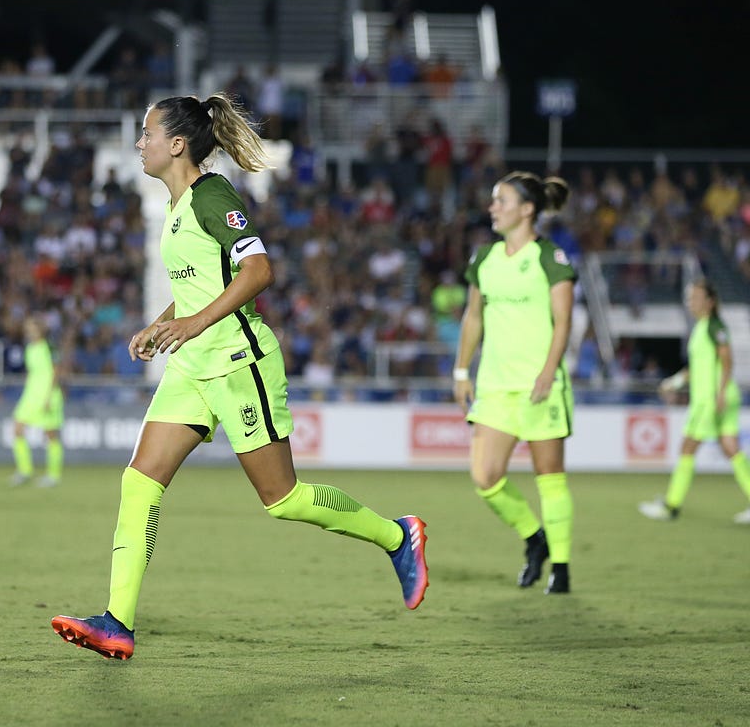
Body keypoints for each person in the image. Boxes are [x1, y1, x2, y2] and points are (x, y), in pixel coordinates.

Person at [50, 93, 428, 660]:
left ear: (177, 144)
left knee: (282, 499)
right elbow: (196, 291)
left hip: (236, 362)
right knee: (140, 481)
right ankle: (117, 623)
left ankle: (399, 536)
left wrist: (196, 323)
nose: (139, 143)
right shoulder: (178, 209)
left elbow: (259, 270)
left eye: (147, 133)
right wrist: (159, 326)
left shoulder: (212, 196)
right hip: (192, 368)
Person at [451, 171, 576, 595]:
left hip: (540, 386)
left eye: (501, 200)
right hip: (496, 387)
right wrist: (462, 370)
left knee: (549, 477)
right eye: (493, 200)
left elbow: (564, 324)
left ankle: (560, 568)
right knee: (486, 478)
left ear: (527, 209)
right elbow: (473, 317)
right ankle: (534, 538)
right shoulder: (483, 258)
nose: (493, 207)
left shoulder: (550, 258)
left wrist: (547, 372)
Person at [638, 280, 750, 524]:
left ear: (710, 302)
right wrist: (675, 382)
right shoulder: (702, 328)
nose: (691, 302)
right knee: (731, 447)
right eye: (690, 298)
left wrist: (718, 394)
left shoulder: (714, 327)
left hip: (710, 399)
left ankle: (671, 506)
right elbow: (696, 368)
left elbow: (727, 360)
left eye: (696, 297)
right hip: (720, 396)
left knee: (687, 448)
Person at [10, 315, 65, 488]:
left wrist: (50, 395)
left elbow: (57, 370)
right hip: (31, 394)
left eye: (32, 328)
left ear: (41, 329)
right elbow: (32, 372)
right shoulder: (29, 348)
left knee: (50, 434)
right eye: (28, 328)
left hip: (48, 394)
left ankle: (53, 475)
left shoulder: (49, 346)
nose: (29, 331)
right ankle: (25, 470)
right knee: (17, 428)